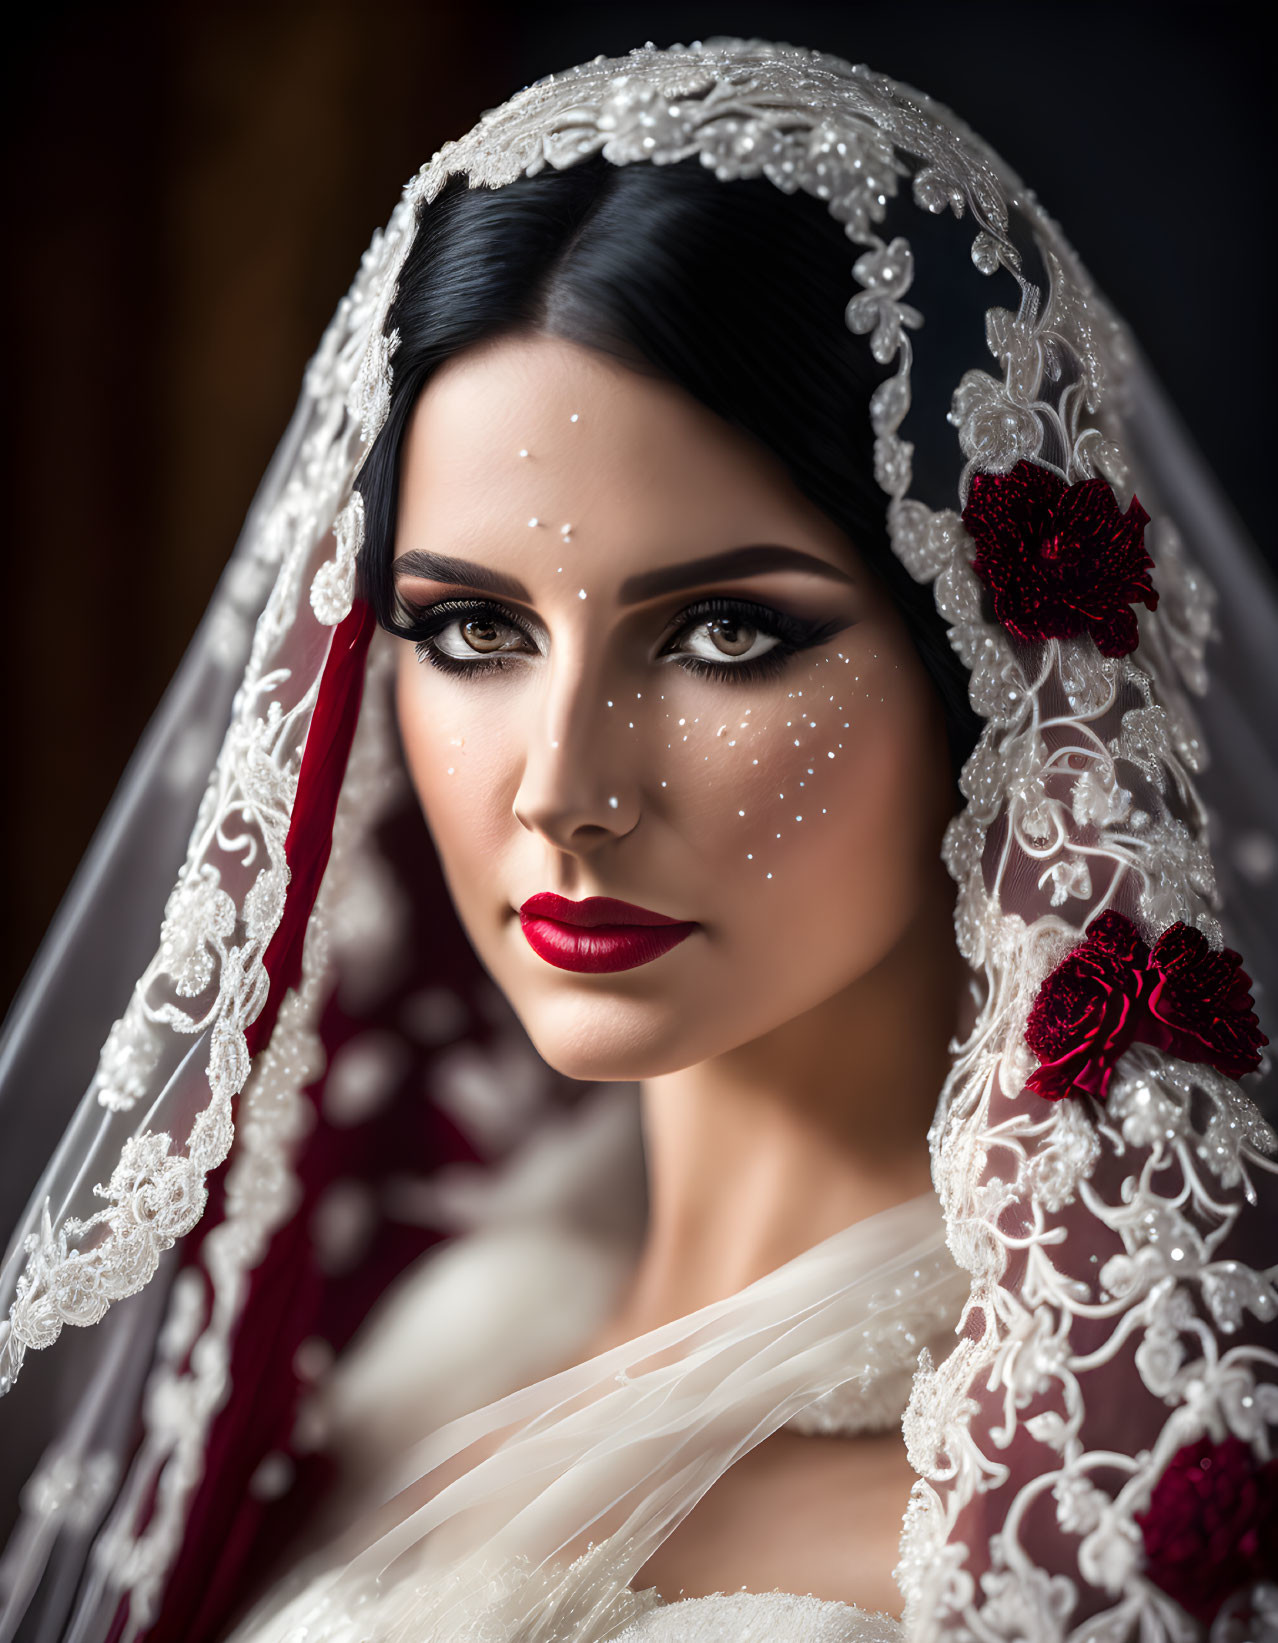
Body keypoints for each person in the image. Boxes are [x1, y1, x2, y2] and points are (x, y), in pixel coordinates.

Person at [1, 35, 1276, 1643]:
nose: (560, 786)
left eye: (727, 633)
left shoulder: (1055, 1543)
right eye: (468, 629)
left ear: (1005, 674)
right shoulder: (435, 1338)